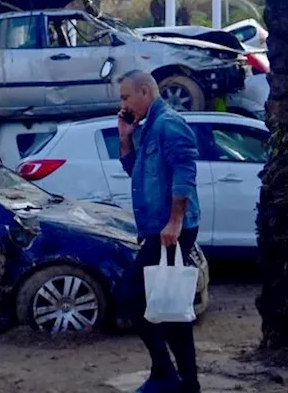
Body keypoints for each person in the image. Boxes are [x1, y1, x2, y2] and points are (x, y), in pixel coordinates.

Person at [117, 69, 201, 393]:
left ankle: (166, 373)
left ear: (144, 92)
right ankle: (186, 382)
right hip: (158, 229)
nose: (123, 104)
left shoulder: (168, 124)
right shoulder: (147, 129)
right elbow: (135, 173)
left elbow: (185, 171)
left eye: (126, 97)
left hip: (172, 229)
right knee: (168, 305)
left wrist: (176, 221)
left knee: (130, 296)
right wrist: (125, 138)